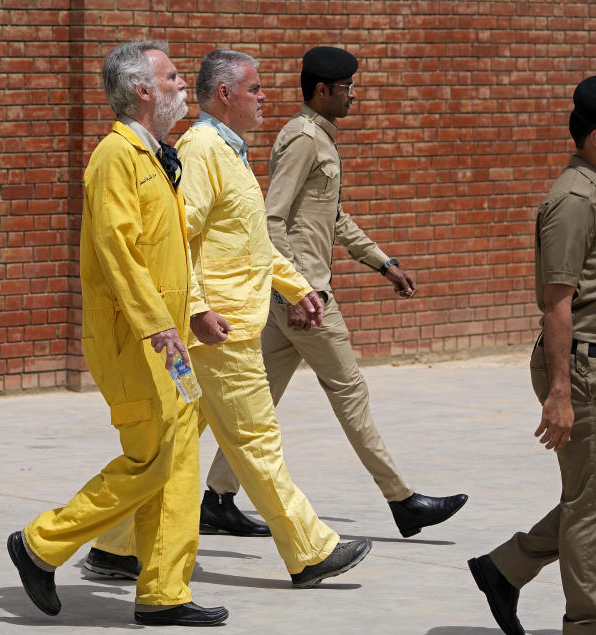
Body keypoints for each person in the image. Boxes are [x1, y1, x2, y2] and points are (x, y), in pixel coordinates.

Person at [84, 49, 372, 588]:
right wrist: (194, 308)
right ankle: (309, 550)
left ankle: (115, 546)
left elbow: (250, 240)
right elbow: (176, 239)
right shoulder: (201, 150)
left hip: (231, 320)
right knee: (257, 437)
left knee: (179, 439)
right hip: (221, 327)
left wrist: (294, 285)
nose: (265, 98)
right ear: (225, 95)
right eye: (255, 89)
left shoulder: (228, 151)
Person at [200, 46, 467, 539]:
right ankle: (403, 500)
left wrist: (383, 262)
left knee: (260, 398)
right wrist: (294, 293)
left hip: (294, 298)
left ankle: (217, 497)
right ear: (322, 90)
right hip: (309, 300)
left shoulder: (317, 137)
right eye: (347, 88)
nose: (354, 95)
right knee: (351, 395)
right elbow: (272, 218)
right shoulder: (303, 138)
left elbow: (330, 216)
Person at [6, 39, 229, 627]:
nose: (185, 86)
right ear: (143, 90)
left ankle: (164, 593)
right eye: (174, 76)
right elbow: (117, 251)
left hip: (168, 338)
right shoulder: (115, 156)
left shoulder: (158, 155)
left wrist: (193, 315)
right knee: (152, 458)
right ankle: (40, 543)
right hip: (136, 338)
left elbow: (169, 253)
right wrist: (158, 324)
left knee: (179, 456)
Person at [467, 75, 596, 635]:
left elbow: (595, 296)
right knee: (587, 502)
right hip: (577, 374)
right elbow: (556, 304)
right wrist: (558, 392)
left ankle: (506, 567)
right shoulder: (573, 202)